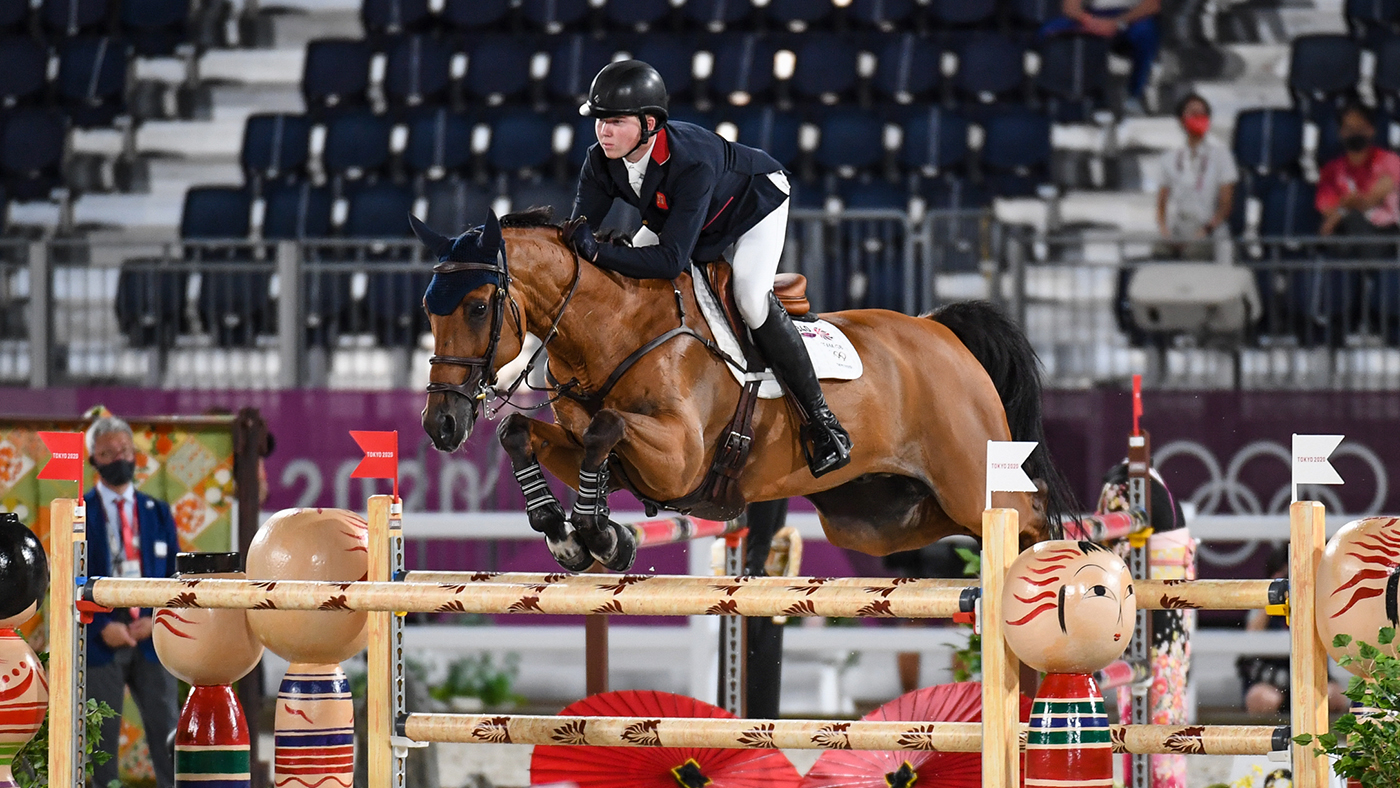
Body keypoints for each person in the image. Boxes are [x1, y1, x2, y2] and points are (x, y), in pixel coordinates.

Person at [563, 59, 851, 478]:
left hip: (754, 202)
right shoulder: (600, 160)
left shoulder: (690, 161)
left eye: (616, 121)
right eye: (600, 121)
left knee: (750, 300)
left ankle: (823, 421)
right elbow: (578, 235)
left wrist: (600, 253)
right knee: (624, 284)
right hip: (689, 217)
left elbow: (669, 260)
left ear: (649, 123)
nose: (604, 131)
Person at [84, 416, 180, 788]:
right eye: (107, 453)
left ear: (135, 455)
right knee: (101, 742)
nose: (117, 459)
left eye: (124, 451)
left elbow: (175, 575)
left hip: (152, 635)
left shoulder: (157, 511)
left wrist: (157, 619)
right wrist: (101, 625)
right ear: (94, 459)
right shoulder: (80, 512)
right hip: (102, 636)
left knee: (168, 732)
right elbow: (70, 578)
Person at [1237, 543, 1348, 717]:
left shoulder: (1316, 601)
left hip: (1311, 676)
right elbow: (1251, 638)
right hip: (1269, 677)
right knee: (1261, 700)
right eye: (1287, 577)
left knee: (1335, 698)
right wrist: (1273, 594)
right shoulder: (1260, 607)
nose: (1291, 584)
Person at [1156, 93, 1237, 259]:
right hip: (1180, 225)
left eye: (1202, 114)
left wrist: (1205, 230)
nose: (1198, 118)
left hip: (1208, 226)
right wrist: (1165, 231)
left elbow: (1226, 203)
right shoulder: (1169, 159)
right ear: (1181, 121)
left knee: (1196, 252)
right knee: (1159, 250)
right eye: (1192, 114)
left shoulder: (1221, 156)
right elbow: (1162, 202)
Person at [1042, 0, 1160, 114]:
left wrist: (1117, 23)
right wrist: (1092, 22)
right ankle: (1054, 93)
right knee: (1048, 31)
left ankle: (1135, 94)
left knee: (1146, 33)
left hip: (1129, 18)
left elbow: (1152, 5)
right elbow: (1070, 8)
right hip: (1092, 15)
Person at [1317, 103, 1400, 248]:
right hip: (1347, 237)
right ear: (1341, 132)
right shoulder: (1332, 169)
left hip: (1385, 235)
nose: (1355, 133)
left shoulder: (1389, 160)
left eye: (1360, 128)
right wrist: (1348, 206)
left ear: (1371, 130)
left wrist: (1346, 205)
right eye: (1349, 129)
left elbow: (1371, 199)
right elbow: (1326, 208)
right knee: (1351, 222)